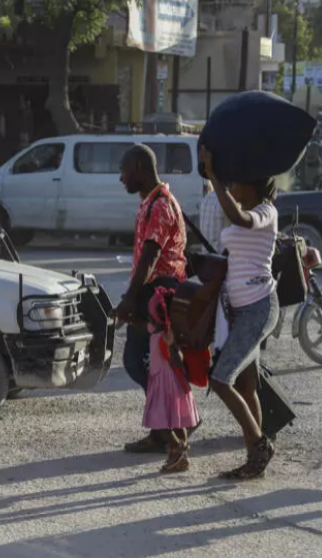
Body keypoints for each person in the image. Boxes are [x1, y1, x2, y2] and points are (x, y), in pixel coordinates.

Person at [199, 147, 279, 481]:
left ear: (251, 187)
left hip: (258, 308)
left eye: (235, 183)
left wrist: (215, 178)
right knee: (246, 385)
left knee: (220, 379)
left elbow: (239, 219)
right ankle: (255, 458)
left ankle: (260, 446)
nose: (231, 187)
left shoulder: (265, 211)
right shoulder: (248, 206)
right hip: (239, 310)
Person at [115, 144, 188, 454]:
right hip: (150, 291)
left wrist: (130, 299)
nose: (121, 178)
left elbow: (150, 256)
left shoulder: (160, 204)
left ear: (139, 168)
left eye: (124, 171)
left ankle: (172, 428)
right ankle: (168, 427)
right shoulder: (152, 201)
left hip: (158, 295)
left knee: (141, 362)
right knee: (144, 364)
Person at [143, 288, 198, 473]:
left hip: (165, 386)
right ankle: (180, 458)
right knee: (177, 422)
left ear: (158, 320)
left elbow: (177, 360)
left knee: (161, 422)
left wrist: (171, 346)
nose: (148, 322)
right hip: (169, 384)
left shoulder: (165, 337)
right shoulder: (160, 332)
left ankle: (176, 447)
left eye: (151, 319)